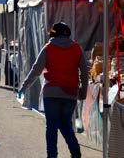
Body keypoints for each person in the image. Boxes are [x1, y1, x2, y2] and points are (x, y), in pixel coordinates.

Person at [19, 22, 88, 158]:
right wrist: (83, 92)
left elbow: (36, 70)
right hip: (70, 93)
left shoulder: (48, 48)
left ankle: (52, 155)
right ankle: (75, 151)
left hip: (51, 92)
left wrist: (24, 86)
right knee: (66, 124)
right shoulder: (76, 48)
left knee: (51, 127)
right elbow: (84, 73)